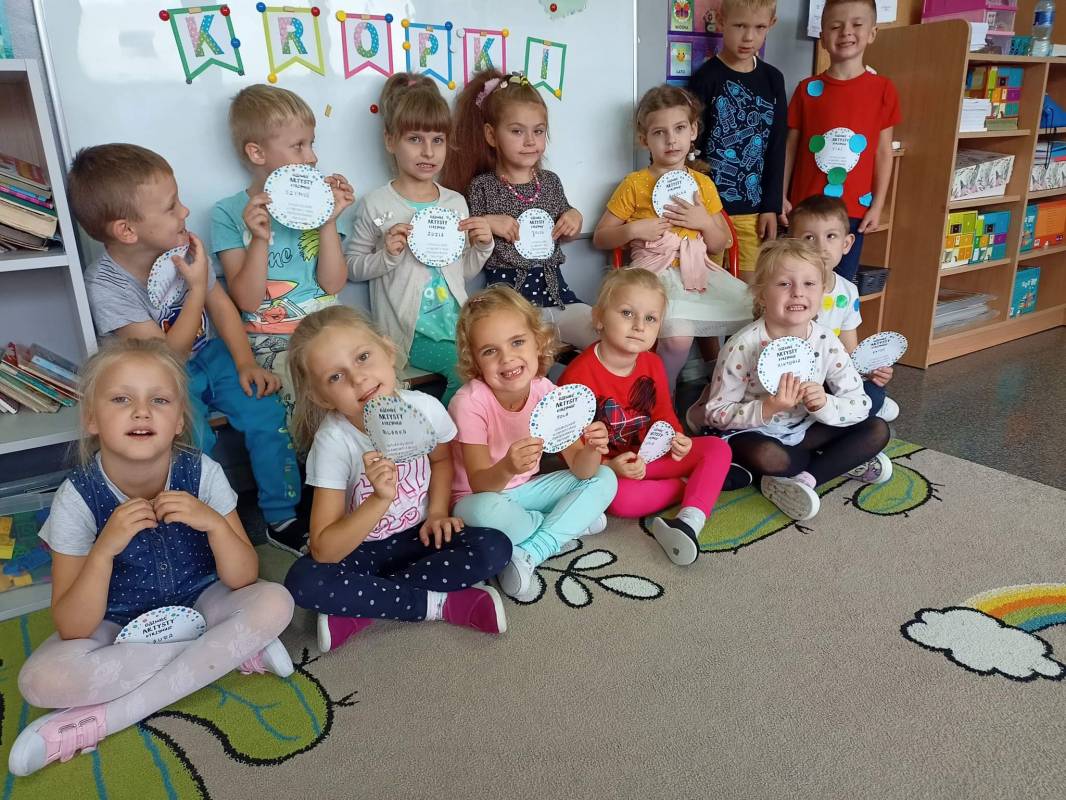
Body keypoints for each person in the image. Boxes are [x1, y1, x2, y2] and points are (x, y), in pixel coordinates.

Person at [8, 338, 294, 777]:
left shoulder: (203, 473)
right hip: (116, 623)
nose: (142, 411)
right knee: (39, 680)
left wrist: (214, 524)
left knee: (276, 601)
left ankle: (105, 719)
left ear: (178, 420)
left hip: (203, 602)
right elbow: (73, 625)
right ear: (91, 419)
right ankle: (229, 651)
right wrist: (104, 550)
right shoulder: (76, 498)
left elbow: (243, 578)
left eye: (159, 400)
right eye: (121, 399)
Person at [70, 144, 305, 555]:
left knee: (266, 412)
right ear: (127, 230)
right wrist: (195, 287)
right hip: (157, 377)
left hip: (211, 356)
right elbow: (166, 361)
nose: (184, 211)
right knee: (191, 438)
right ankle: (204, 524)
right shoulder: (106, 285)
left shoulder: (182, 248)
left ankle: (281, 515)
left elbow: (222, 308)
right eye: (171, 206)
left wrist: (245, 362)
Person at [281, 307, 512, 654]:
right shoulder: (333, 442)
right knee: (304, 582)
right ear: (320, 396)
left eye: (363, 357)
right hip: (361, 550)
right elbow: (325, 550)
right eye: (336, 377)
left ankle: (365, 604)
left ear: (388, 351)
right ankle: (439, 604)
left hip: (421, 536)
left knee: (496, 546)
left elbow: (441, 460)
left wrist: (437, 513)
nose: (358, 378)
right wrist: (378, 500)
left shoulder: (426, 408)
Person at [689, 238, 892, 521]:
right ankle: (831, 463)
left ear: (822, 292)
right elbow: (716, 413)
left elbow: (858, 402)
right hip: (754, 432)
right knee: (771, 457)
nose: (798, 293)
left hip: (805, 429)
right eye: (784, 284)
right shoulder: (743, 345)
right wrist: (768, 408)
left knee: (877, 429)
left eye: (809, 284)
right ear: (762, 295)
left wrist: (825, 404)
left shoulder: (825, 341)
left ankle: (807, 479)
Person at [559, 268, 739, 566]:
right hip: (615, 469)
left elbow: (663, 413)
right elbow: (573, 450)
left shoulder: (652, 363)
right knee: (619, 500)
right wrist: (610, 466)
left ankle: (690, 520)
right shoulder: (576, 377)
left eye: (651, 319)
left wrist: (677, 437)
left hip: (654, 456)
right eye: (627, 313)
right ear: (599, 317)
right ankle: (699, 484)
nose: (639, 326)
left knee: (718, 448)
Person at [448, 286, 617, 601]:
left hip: (527, 492)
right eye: (490, 351)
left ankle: (532, 550)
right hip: (478, 499)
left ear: (537, 342)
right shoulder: (469, 403)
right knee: (484, 513)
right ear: (475, 361)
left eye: (517, 342)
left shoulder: (545, 391)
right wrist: (507, 466)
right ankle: (566, 524)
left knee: (605, 477)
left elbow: (581, 471)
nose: (507, 358)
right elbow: (480, 484)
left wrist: (592, 450)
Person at [345, 73, 493, 404]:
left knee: (496, 357)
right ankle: (451, 434)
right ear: (390, 141)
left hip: (458, 325)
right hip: (410, 333)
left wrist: (483, 247)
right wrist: (386, 255)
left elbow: (461, 273)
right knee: (465, 372)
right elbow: (352, 267)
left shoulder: (454, 202)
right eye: (415, 139)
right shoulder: (376, 204)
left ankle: (479, 429)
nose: (428, 151)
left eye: (438, 140)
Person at [593, 85, 751, 391]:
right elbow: (601, 237)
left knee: (756, 311)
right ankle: (663, 396)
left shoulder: (702, 184)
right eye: (659, 132)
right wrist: (632, 230)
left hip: (698, 272)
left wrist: (703, 223)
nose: (671, 139)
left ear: (693, 131)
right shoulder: (634, 184)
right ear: (644, 140)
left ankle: (726, 389)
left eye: (679, 128)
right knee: (678, 339)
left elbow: (721, 243)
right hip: (652, 277)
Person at [212, 84, 353, 419]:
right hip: (272, 341)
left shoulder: (318, 202)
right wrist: (259, 239)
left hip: (329, 330)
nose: (312, 157)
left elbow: (333, 284)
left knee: (364, 380)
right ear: (257, 153)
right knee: (305, 402)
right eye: (298, 146)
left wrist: (329, 221)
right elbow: (247, 301)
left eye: (311, 143)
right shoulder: (227, 213)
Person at [442, 69, 596, 348]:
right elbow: (466, 245)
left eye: (538, 131)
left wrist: (575, 217)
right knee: (524, 352)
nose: (530, 141)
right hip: (510, 304)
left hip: (557, 296)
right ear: (491, 135)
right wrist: (488, 223)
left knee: (604, 332)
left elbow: (567, 231)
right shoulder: (482, 187)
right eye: (517, 131)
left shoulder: (550, 182)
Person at [780, 0, 901, 281]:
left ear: (872, 33)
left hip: (853, 210)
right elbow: (790, 148)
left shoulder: (883, 90)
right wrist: (780, 195)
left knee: (841, 285)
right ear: (823, 38)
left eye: (857, 24)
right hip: (806, 209)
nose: (846, 32)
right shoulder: (807, 90)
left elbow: (884, 153)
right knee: (800, 280)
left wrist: (878, 205)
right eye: (836, 26)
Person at [688, 0, 787, 279]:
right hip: (709, 210)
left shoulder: (773, 79)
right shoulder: (705, 78)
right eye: (740, 26)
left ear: (771, 25)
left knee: (747, 289)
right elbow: (692, 146)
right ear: (721, 22)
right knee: (706, 286)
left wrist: (771, 206)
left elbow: (777, 145)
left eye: (759, 27)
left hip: (753, 213)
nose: (748, 37)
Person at [788, 195, 899, 421]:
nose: (820, 247)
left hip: (833, 377)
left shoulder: (848, 291)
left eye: (830, 236)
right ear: (792, 244)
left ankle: (845, 413)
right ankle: (839, 418)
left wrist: (869, 371)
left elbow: (849, 351)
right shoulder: (789, 289)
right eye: (809, 237)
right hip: (796, 380)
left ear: (846, 244)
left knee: (874, 393)